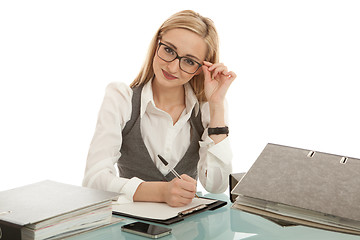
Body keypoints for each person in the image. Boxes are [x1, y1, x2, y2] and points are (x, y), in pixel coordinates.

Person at [82, 10, 236, 207]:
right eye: (169, 50)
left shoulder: (208, 108)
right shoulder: (121, 98)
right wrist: (160, 192)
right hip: (130, 227)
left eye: (189, 61)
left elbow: (216, 185)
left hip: (188, 229)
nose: (172, 68)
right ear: (156, 44)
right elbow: (93, 180)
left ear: (200, 69)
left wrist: (216, 105)